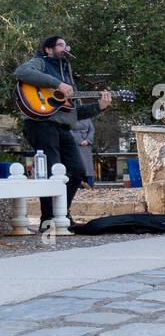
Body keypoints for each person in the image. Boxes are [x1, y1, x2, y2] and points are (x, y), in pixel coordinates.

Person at [13, 35, 109, 226]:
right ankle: (48, 219)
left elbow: (72, 112)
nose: (66, 47)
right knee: (51, 170)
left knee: (77, 170)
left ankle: (61, 214)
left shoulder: (67, 75)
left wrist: (99, 106)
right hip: (40, 124)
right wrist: (56, 84)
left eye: (66, 45)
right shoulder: (40, 62)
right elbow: (21, 72)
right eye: (61, 44)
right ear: (48, 49)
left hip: (61, 127)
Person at [70, 112, 95, 187]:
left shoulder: (87, 118)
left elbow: (92, 130)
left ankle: (87, 182)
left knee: (87, 165)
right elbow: (69, 130)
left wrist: (88, 140)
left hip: (86, 145)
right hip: (75, 144)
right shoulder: (70, 117)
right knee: (78, 163)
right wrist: (79, 140)